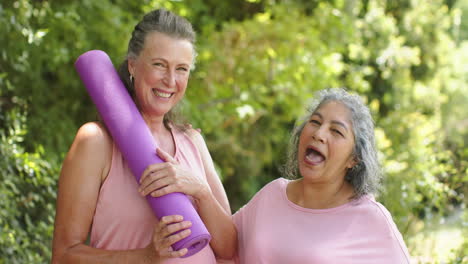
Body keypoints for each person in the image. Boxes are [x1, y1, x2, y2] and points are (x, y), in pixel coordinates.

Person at [52, 8, 236, 264]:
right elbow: (64, 255)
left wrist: (200, 191)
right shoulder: (96, 142)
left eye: (181, 69)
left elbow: (230, 249)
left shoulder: (192, 141)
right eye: (159, 64)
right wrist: (145, 256)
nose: (170, 80)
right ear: (133, 65)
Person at [231, 88, 411, 263]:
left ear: (354, 159)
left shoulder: (372, 218)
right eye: (315, 122)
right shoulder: (272, 194)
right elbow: (226, 246)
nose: (319, 134)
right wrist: (203, 189)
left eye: (336, 131)